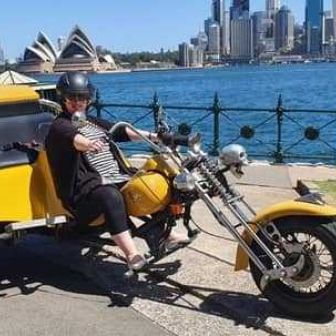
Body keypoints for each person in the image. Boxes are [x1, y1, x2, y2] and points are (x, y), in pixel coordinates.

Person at [45, 71, 188, 271]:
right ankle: (132, 255)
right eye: (73, 97)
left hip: (115, 178)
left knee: (150, 183)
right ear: (63, 98)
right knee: (111, 196)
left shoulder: (91, 121)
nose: (79, 102)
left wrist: (155, 137)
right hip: (84, 193)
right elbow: (72, 138)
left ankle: (164, 237)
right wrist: (87, 143)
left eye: (83, 97)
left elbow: (121, 131)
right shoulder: (60, 125)